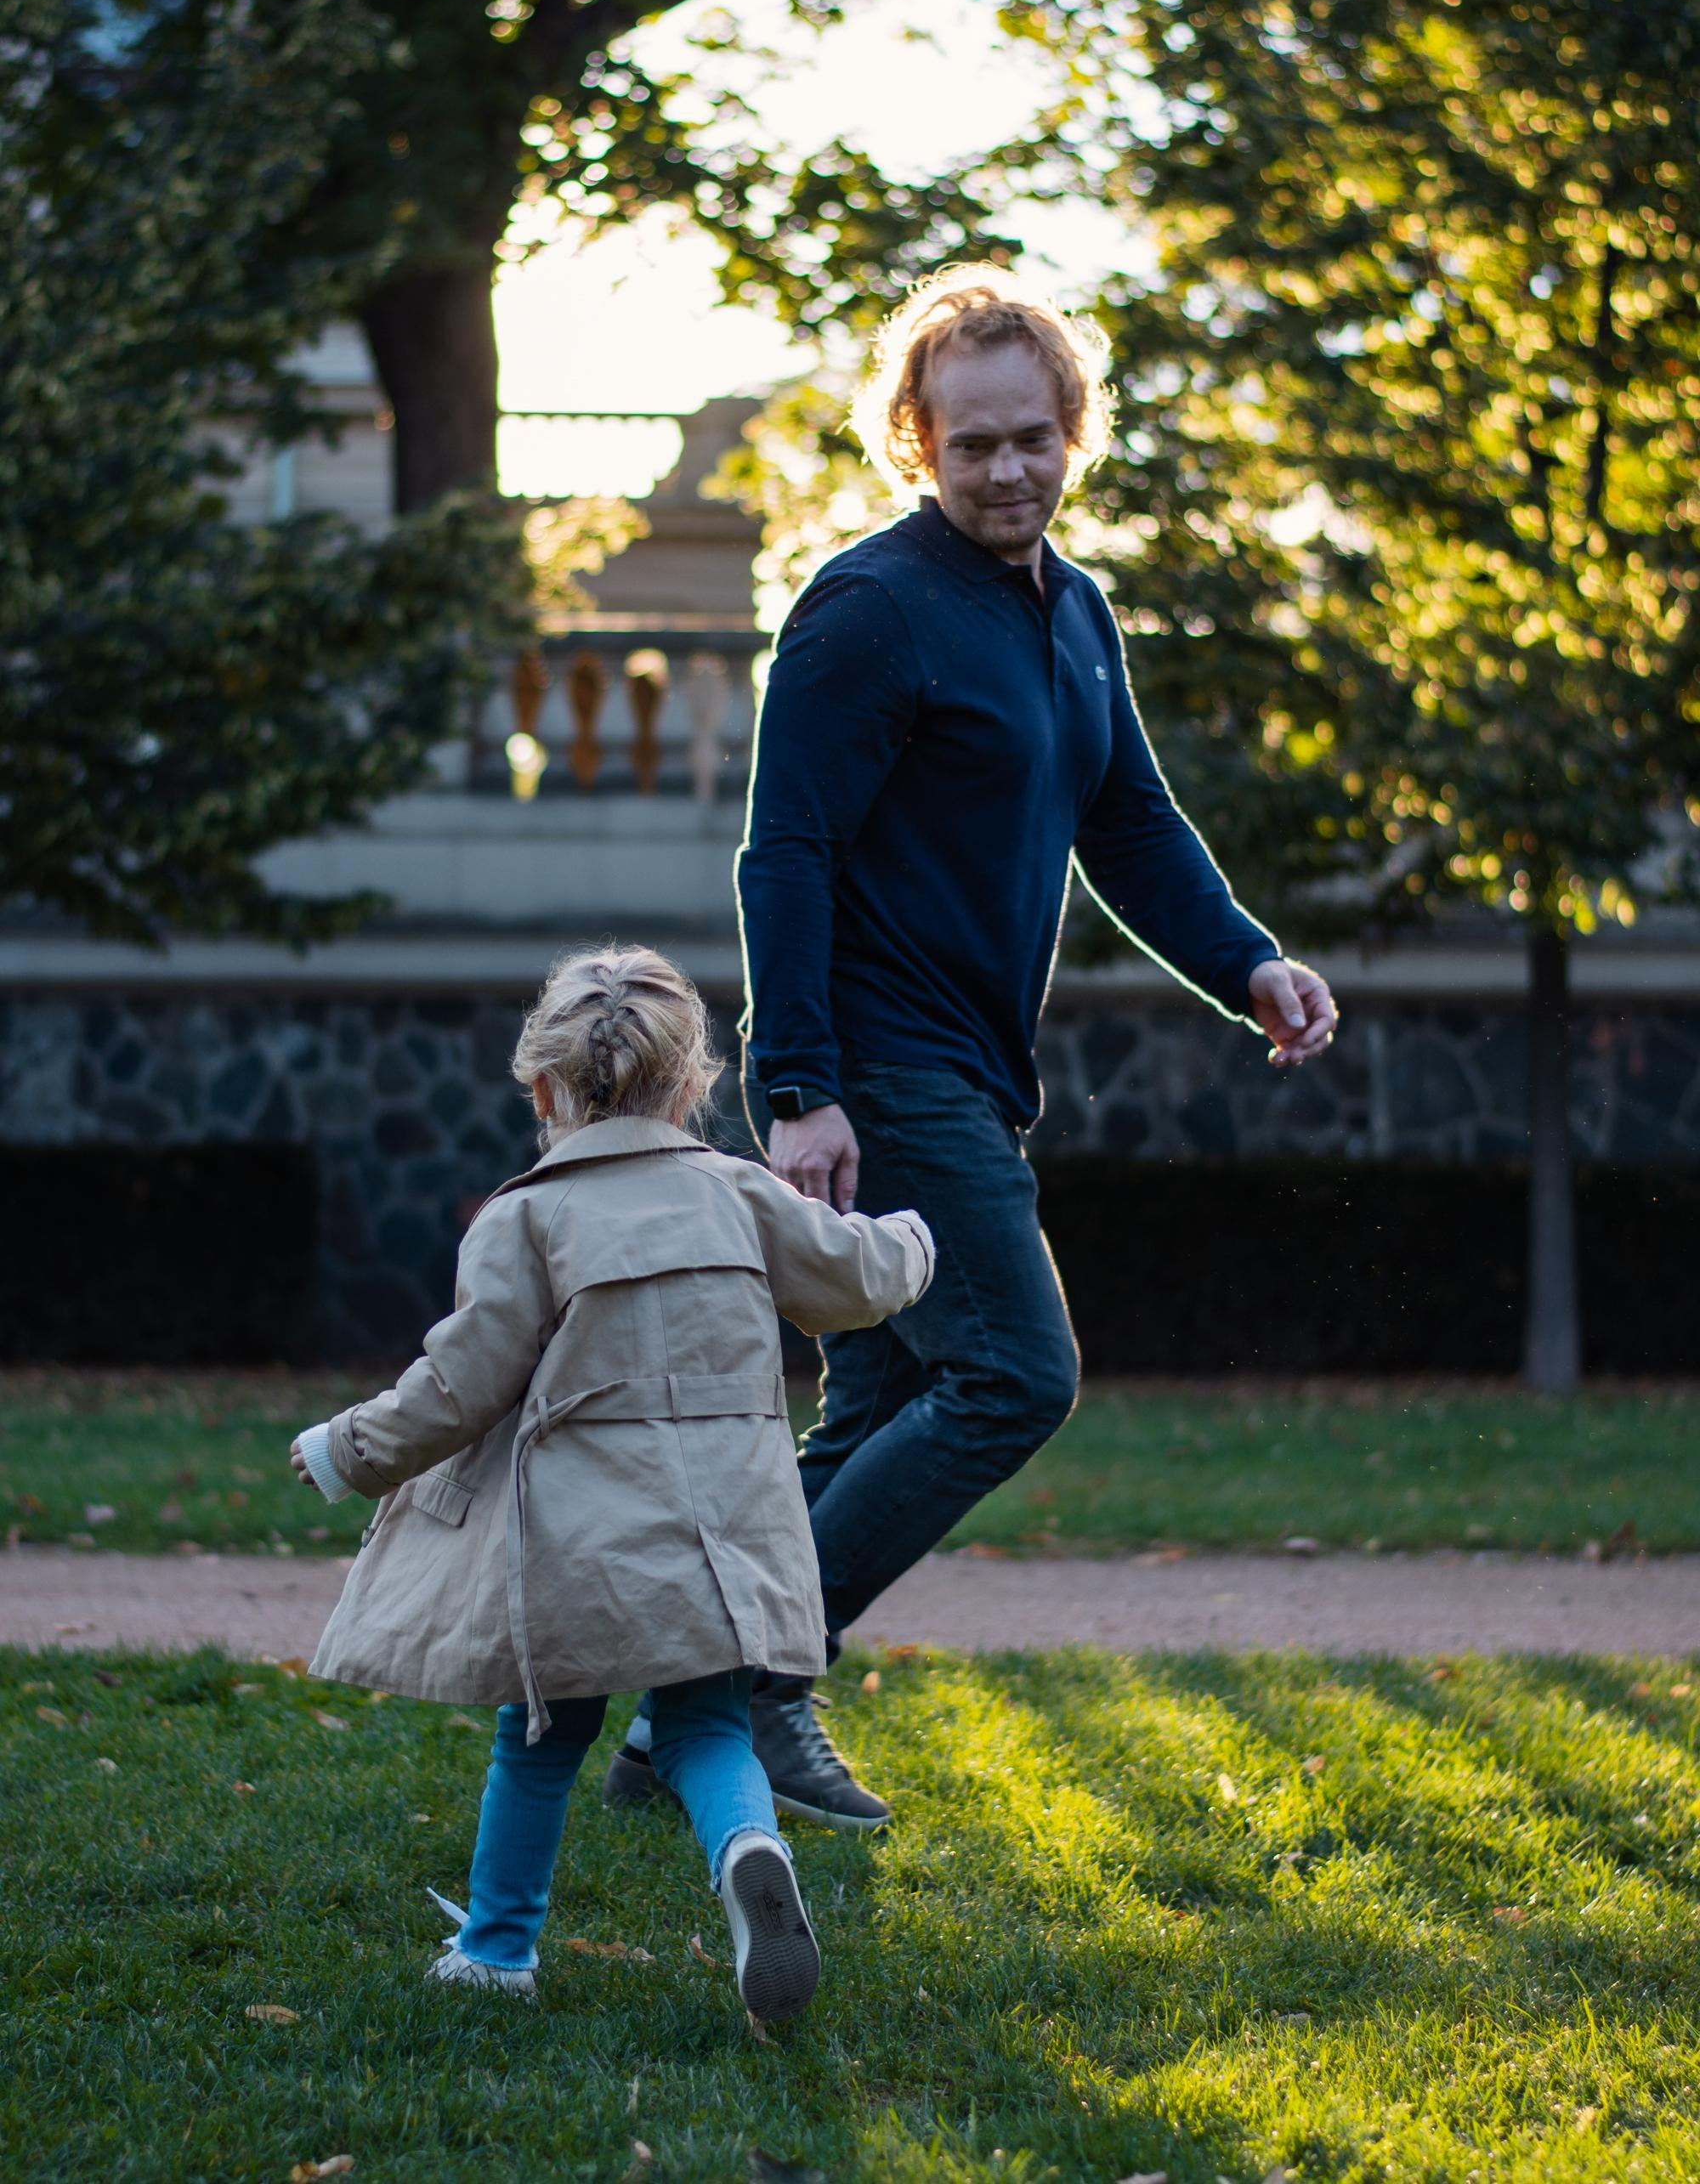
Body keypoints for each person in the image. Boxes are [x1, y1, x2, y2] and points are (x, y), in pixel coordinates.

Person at [606, 269, 1337, 1833]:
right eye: (971, 446)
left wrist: (1248, 962)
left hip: (971, 1077)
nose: (1008, 470)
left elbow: (1127, 824)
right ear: (916, 448)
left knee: (871, 1415)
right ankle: (745, 1688)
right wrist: (798, 1087)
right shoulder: (872, 610)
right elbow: (784, 849)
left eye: (1033, 438)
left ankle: (695, 1719)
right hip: (883, 1075)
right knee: (1014, 1373)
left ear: (1074, 431)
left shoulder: (1072, 616)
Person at [288, 945, 933, 2019]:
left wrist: (346, 1448)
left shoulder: (525, 1217)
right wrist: (913, 1238)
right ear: (693, 1085)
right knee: (707, 1732)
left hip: (579, 1548)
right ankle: (745, 1852)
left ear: (541, 1089)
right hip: (728, 1538)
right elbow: (856, 1277)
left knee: (538, 1744)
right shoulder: (740, 1192)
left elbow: (460, 1384)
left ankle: (496, 1953)